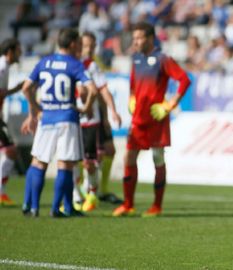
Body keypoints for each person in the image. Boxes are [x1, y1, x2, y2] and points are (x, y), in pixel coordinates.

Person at [112, 22, 190, 217]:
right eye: (134, 38)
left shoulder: (163, 59)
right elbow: (132, 84)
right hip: (138, 120)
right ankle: (128, 204)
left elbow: (184, 80)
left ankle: (157, 205)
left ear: (150, 38)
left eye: (139, 38)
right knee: (129, 157)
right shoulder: (136, 59)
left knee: (158, 158)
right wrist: (132, 98)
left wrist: (169, 105)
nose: (135, 41)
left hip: (157, 119)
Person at [21, 28, 97, 217]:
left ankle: (34, 207)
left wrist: (36, 108)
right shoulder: (75, 64)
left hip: (46, 118)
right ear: (72, 44)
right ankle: (56, 209)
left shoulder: (44, 62)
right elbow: (92, 89)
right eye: (79, 43)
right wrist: (87, 107)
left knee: (39, 162)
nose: (80, 47)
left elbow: (26, 88)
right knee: (65, 165)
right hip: (67, 118)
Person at [74, 31, 122, 212]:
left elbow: (103, 91)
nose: (90, 49)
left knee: (104, 152)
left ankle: (98, 190)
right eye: (87, 46)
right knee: (81, 157)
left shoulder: (93, 64)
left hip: (94, 116)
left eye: (93, 46)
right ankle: (84, 191)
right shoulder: (74, 64)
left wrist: (110, 113)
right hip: (77, 117)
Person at [0, 38, 23, 206]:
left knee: (9, 151)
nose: (20, 53)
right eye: (18, 50)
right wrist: (17, 89)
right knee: (10, 151)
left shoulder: (4, 66)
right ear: (10, 52)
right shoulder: (1, 67)